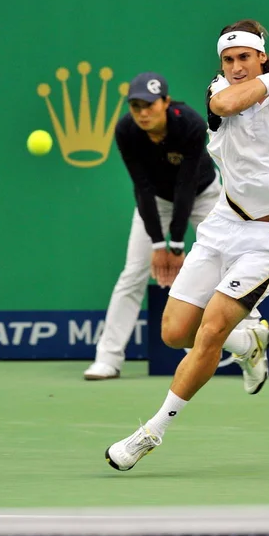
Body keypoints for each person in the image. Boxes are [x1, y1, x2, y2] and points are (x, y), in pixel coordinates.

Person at [105, 19, 269, 470]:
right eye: (228, 59)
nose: (236, 67)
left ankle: (151, 432)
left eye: (244, 58)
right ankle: (250, 342)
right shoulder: (220, 90)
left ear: (260, 54)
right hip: (221, 225)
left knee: (210, 331)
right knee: (175, 332)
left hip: (268, 239)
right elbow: (227, 102)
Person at [84, 72, 221, 380]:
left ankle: (243, 345)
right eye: (135, 106)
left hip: (203, 195)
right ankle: (107, 358)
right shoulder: (126, 131)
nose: (143, 113)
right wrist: (158, 245)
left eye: (149, 105)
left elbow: (185, 186)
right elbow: (142, 188)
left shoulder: (190, 124)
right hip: (156, 201)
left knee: (226, 265)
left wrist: (175, 245)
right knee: (132, 274)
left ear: (165, 102)